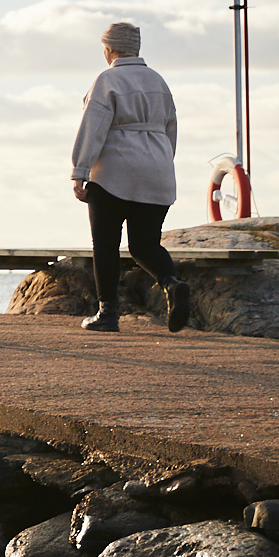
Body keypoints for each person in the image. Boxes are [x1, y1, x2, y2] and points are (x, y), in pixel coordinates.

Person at [70, 20, 193, 333]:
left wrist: (80, 171)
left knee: (105, 245)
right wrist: (161, 163)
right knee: (144, 244)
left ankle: (108, 313)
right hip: (157, 171)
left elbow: (93, 128)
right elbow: (170, 129)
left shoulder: (107, 80)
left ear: (110, 49)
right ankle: (171, 283)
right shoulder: (158, 82)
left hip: (113, 174)